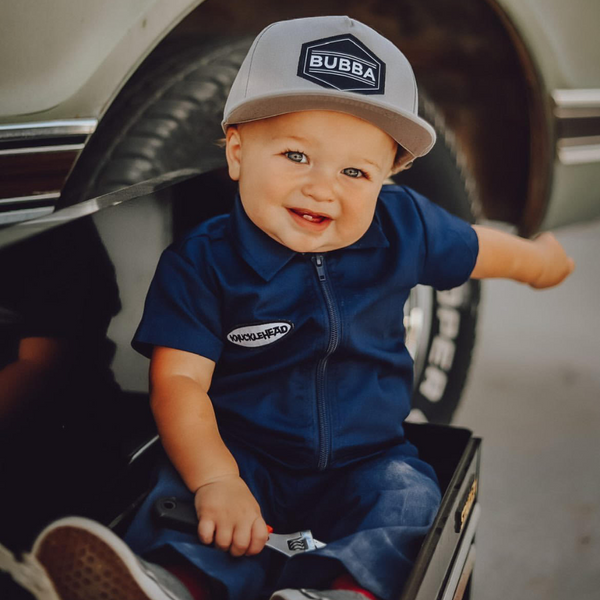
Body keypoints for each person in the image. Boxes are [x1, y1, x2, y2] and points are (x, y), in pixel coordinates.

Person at [1, 15, 574, 600]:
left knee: (409, 501)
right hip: (242, 451)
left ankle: (344, 593)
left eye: (356, 171)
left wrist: (536, 262)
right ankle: (174, 584)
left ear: (390, 178)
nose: (324, 187)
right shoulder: (203, 262)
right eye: (297, 156)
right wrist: (217, 479)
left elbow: (478, 247)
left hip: (368, 458)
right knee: (183, 501)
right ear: (238, 152)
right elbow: (178, 383)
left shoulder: (401, 224)